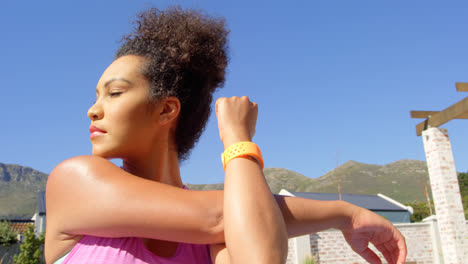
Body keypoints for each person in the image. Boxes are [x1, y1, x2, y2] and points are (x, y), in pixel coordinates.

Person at [45, 6, 407, 264]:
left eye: (115, 92)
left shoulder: (222, 230)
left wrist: (236, 139)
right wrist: (344, 213)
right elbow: (218, 215)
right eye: (96, 96)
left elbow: (258, 255)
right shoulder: (75, 180)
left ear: (166, 110)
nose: (93, 110)